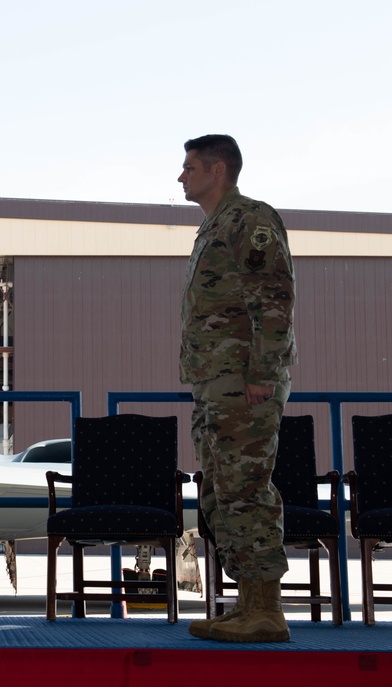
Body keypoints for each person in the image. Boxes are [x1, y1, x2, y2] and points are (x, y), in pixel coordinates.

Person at [177, 134, 297, 643]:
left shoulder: (250, 218)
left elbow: (273, 297)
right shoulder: (214, 226)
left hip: (243, 381)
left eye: (189, 167)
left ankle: (266, 609)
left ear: (217, 169)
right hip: (215, 381)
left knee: (246, 489)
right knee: (222, 491)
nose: (181, 177)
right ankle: (248, 602)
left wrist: (262, 375)